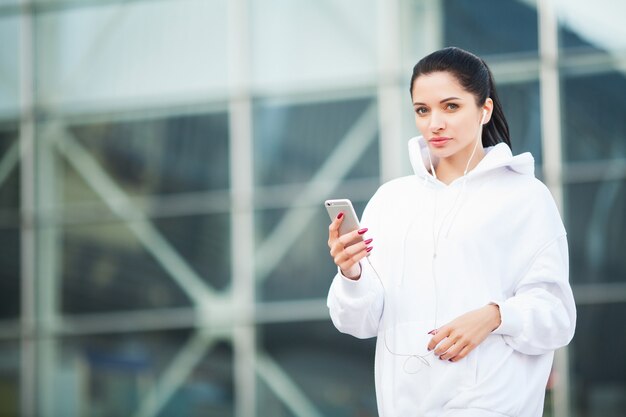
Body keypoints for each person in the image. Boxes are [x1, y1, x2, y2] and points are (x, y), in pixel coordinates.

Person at [326, 47, 576, 417]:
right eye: (422, 110)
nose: (434, 123)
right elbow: (357, 322)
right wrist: (352, 273)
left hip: (494, 403)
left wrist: (495, 316)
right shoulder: (392, 200)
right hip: (407, 405)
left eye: (451, 106)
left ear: (484, 110)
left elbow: (556, 317)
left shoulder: (525, 197)